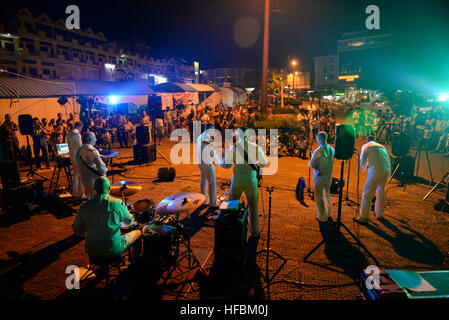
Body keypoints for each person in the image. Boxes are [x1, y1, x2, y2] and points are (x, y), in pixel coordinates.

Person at [72, 177, 142, 258]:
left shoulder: (84, 207)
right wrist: (131, 215)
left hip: (92, 250)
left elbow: (77, 231)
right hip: (114, 249)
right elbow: (128, 222)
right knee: (138, 232)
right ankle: (137, 260)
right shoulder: (117, 203)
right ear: (109, 188)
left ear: (94, 188)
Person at [220, 126, 267, 239]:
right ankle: (254, 233)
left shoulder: (234, 149)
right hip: (251, 180)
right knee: (253, 207)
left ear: (238, 134)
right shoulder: (255, 147)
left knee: (232, 206)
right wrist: (254, 163)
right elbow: (263, 162)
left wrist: (220, 160)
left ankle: (233, 232)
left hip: (237, 180)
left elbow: (226, 165)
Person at [355, 136, 391, 224]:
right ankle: (379, 214)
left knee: (367, 193)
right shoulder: (382, 147)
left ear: (367, 140)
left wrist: (362, 164)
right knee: (380, 192)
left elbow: (362, 159)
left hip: (375, 171)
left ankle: (363, 217)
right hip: (386, 171)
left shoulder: (366, 146)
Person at [308, 131, 335, 223]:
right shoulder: (332, 149)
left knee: (319, 196)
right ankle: (328, 213)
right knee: (326, 195)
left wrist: (312, 157)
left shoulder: (318, 151)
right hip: (328, 176)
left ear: (320, 139)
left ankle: (322, 216)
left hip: (319, 176)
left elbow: (312, 165)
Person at [76, 132, 107, 199]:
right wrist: (104, 172)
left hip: (85, 178)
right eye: (94, 138)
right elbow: (101, 168)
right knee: (98, 198)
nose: (96, 139)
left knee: (89, 197)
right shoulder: (92, 150)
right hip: (95, 179)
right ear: (90, 140)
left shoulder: (79, 150)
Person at [197, 123, 219, 209]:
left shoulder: (200, 137)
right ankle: (213, 203)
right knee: (212, 182)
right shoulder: (207, 138)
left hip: (200, 162)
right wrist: (217, 161)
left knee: (203, 181)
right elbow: (212, 152)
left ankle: (204, 201)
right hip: (207, 162)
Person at [67, 121, 85, 198]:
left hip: (71, 155)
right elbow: (80, 146)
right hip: (77, 156)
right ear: (80, 126)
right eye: (81, 127)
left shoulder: (69, 133)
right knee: (80, 174)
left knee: (76, 174)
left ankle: (75, 191)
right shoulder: (77, 134)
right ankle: (80, 193)